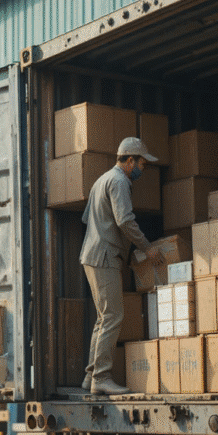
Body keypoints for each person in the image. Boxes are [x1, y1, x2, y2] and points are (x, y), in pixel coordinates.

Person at [80, 137, 164, 396]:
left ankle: (91, 376)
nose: (143, 168)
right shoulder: (119, 182)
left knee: (104, 318)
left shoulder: (101, 180)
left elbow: (87, 218)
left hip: (93, 255)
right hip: (104, 257)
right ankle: (102, 378)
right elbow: (125, 220)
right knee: (113, 317)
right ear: (130, 160)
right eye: (142, 163)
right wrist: (147, 247)